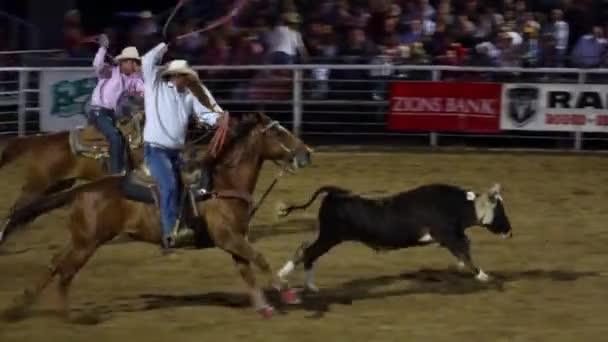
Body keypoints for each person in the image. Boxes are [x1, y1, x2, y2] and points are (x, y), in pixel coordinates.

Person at [141, 42, 224, 252]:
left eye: (187, 76)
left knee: (196, 182)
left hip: (176, 152)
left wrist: (219, 119)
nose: (185, 79)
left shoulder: (188, 95)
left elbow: (206, 114)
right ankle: (170, 234)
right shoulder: (155, 86)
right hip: (156, 150)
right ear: (174, 76)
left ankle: (190, 226)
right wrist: (162, 46)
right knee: (169, 185)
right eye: (182, 75)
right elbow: (147, 60)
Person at [90, 34, 144, 174]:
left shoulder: (132, 80)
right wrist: (103, 48)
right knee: (115, 137)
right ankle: (116, 173)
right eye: (131, 62)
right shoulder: (109, 72)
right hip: (98, 112)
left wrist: (140, 75)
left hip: (111, 114)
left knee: (129, 135)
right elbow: (97, 65)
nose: (134, 65)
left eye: (135, 63)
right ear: (123, 62)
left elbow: (144, 91)